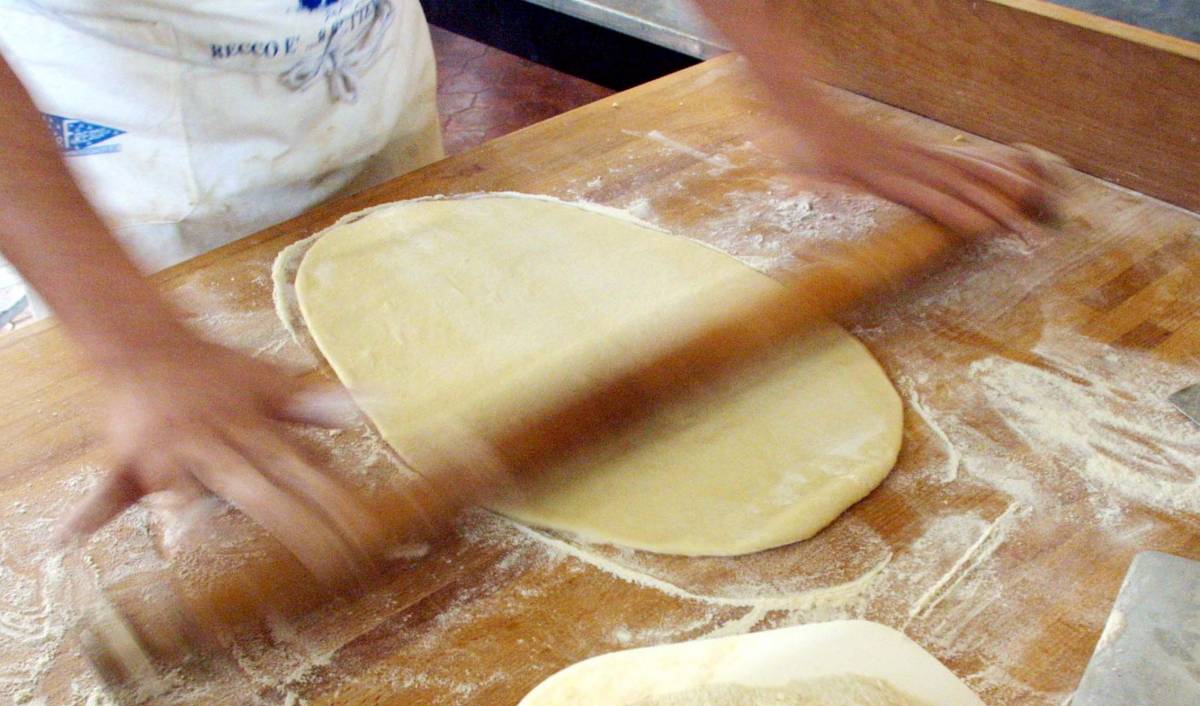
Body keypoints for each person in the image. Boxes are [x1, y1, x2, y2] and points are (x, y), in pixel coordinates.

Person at [0, 0, 1049, 578]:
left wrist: (794, 98)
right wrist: (134, 343)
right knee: (216, 517)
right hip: (107, 182)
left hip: (359, 89)